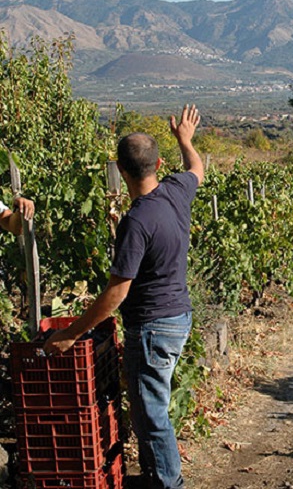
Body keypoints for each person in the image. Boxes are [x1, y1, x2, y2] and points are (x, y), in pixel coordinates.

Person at [44, 104, 203, 489]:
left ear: (119, 171)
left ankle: (169, 484)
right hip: (178, 317)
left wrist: (71, 332)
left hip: (152, 328)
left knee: (152, 416)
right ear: (159, 163)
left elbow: (117, 291)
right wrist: (186, 140)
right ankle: (157, 478)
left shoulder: (137, 220)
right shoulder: (176, 192)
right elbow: (198, 169)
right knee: (153, 410)